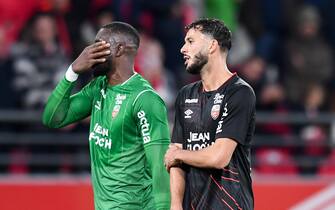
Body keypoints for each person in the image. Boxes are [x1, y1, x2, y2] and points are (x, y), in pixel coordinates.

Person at [42, 22, 170, 209]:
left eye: (99, 44)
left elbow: (160, 166)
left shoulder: (144, 99)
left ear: (118, 49)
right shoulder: (98, 87)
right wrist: (72, 72)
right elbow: (53, 118)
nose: (90, 51)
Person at [164, 18, 256, 210]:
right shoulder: (185, 95)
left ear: (212, 45)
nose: (183, 49)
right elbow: (176, 163)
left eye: (190, 41)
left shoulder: (239, 93)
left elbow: (219, 157)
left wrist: (180, 154)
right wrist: (175, 205)